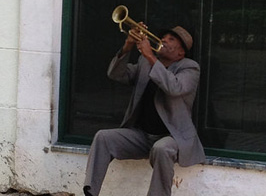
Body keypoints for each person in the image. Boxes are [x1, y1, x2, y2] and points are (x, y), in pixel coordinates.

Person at [83, 24, 205, 196]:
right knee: (103, 137)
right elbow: (116, 74)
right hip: (142, 135)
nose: (163, 40)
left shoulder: (190, 68)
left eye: (171, 39)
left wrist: (150, 56)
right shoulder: (145, 63)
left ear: (181, 53)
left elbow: (174, 88)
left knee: (161, 149)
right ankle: (90, 192)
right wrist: (128, 46)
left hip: (173, 136)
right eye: (164, 37)